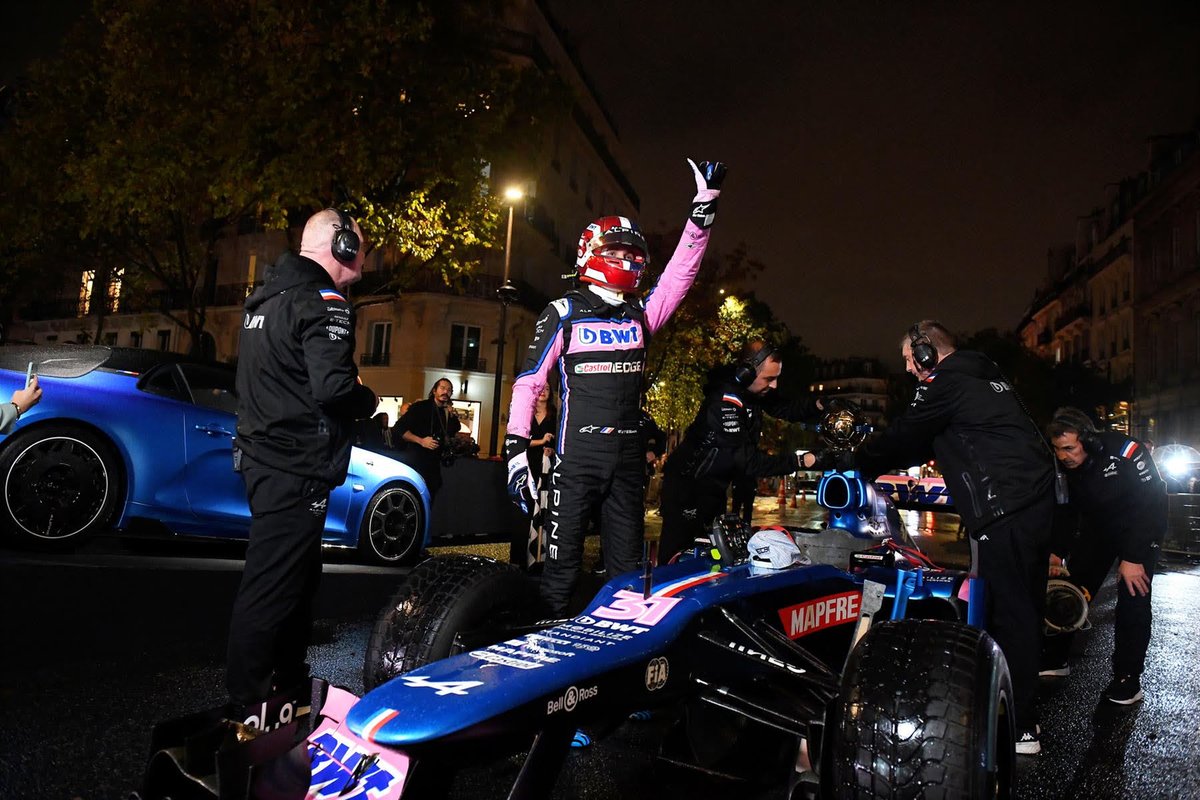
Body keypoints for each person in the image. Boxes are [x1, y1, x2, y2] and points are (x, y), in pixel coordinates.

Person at [503, 158, 727, 614]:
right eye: (618, 252)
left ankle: (618, 650)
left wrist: (702, 210)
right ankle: (546, 647)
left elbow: (679, 276)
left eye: (633, 254)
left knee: (626, 574)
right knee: (560, 573)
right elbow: (529, 384)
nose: (628, 260)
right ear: (590, 252)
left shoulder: (641, 315)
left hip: (627, 462)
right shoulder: (563, 311)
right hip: (576, 460)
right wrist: (515, 452)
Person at [826, 320, 1055, 755]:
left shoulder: (945, 382)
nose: (908, 369)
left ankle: (1020, 725)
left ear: (926, 352)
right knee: (1026, 608)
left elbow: (906, 433)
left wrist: (858, 461)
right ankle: (1018, 711)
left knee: (1009, 614)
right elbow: (924, 442)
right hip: (1033, 503)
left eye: (909, 359)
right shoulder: (982, 375)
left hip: (1004, 507)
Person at [227, 208, 378, 709]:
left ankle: (288, 684)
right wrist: (368, 399)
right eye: (360, 244)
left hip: (263, 458)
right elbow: (334, 388)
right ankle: (248, 707)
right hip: (295, 466)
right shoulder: (324, 301)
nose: (364, 255)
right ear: (340, 246)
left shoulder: (266, 298)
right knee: (273, 585)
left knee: (296, 579)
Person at [658, 340, 824, 565]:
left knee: (713, 558)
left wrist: (821, 405)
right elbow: (749, 462)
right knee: (676, 557)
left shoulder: (752, 393)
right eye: (769, 378)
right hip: (687, 487)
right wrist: (802, 461)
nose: (774, 385)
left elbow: (786, 408)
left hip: (714, 487)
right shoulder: (724, 402)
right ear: (747, 373)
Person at [1042, 407, 1166, 705]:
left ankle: (1128, 680)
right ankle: (1056, 658)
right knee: (1069, 591)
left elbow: (1153, 502)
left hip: (1139, 529)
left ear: (1088, 441)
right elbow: (1065, 509)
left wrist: (1133, 557)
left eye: (1069, 448)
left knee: (1133, 600)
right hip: (1098, 531)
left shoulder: (1127, 451)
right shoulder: (1061, 466)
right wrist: (1057, 551)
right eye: (1057, 449)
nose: (1063, 456)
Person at [395, 378, 461, 500]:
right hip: (416, 462)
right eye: (442, 388)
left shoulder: (446, 412)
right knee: (413, 497)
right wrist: (421, 441)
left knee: (431, 495)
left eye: (449, 390)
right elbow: (399, 428)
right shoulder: (421, 407)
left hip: (434, 466)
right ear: (434, 391)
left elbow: (454, 430)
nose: (445, 392)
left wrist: (452, 416)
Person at [528, 384, 557, 491]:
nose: (543, 391)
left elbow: (560, 442)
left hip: (547, 464)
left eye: (547, 388)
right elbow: (520, 441)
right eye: (540, 388)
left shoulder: (556, 415)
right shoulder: (526, 413)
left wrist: (552, 451)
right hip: (527, 462)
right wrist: (541, 441)